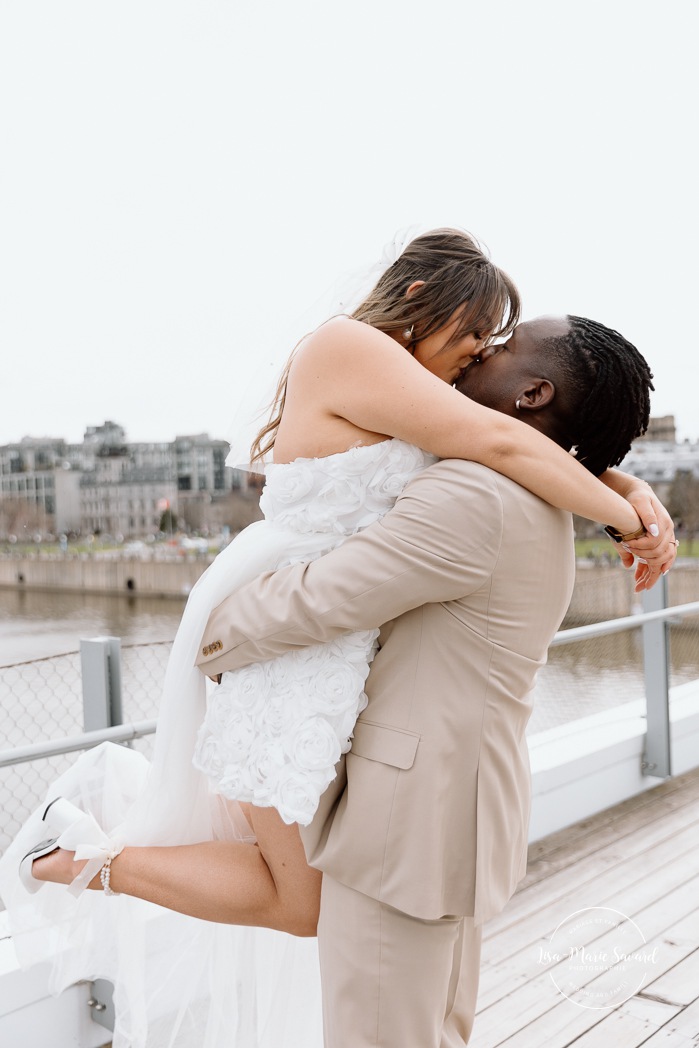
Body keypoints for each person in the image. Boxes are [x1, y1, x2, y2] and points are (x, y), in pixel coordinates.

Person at [0, 227, 675, 1046]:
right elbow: (505, 443)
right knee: (331, 932)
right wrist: (626, 510)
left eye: (498, 346)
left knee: (313, 922)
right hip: (334, 687)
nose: (478, 353)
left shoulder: (480, 484)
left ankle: (79, 851)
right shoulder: (368, 367)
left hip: (370, 744)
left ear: (533, 393)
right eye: (478, 332)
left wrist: (629, 495)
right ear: (428, 301)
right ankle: (77, 854)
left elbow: (497, 453)